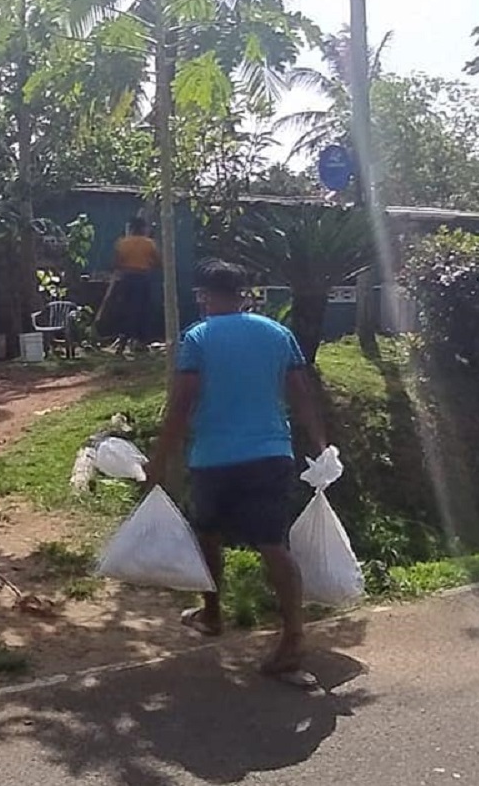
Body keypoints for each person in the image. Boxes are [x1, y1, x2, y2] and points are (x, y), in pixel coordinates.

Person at [144, 258, 330, 684]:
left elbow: (182, 404)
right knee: (272, 544)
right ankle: (293, 637)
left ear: (205, 295)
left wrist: (160, 459)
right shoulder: (277, 333)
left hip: (214, 457)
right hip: (271, 454)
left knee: (208, 536)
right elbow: (302, 395)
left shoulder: (199, 337)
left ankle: (212, 614)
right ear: (244, 293)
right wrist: (321, 444)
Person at [110, 217, 159, 353]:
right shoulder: (149, 244)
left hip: (127, 278)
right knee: (143, 310)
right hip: (143, 278)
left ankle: (122, 342)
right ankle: (141, 342)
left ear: (131, 229)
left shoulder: (122, 243)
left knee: (126, 310)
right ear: (143, 228)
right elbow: (157, 262)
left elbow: (116, 263)